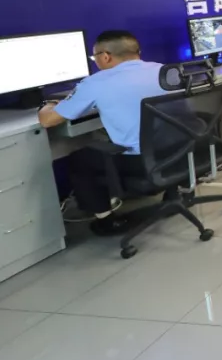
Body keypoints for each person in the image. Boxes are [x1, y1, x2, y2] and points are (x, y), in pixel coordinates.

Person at [38, 31, 167, 220]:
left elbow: (47, 120)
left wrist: (47, 105)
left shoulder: (95, 83)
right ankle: (174, 193)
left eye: (94, 57)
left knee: (79, 160)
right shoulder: (162, 70)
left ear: (105, 56)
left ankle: (106, 219)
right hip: (177, 150)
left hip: (140, 161)